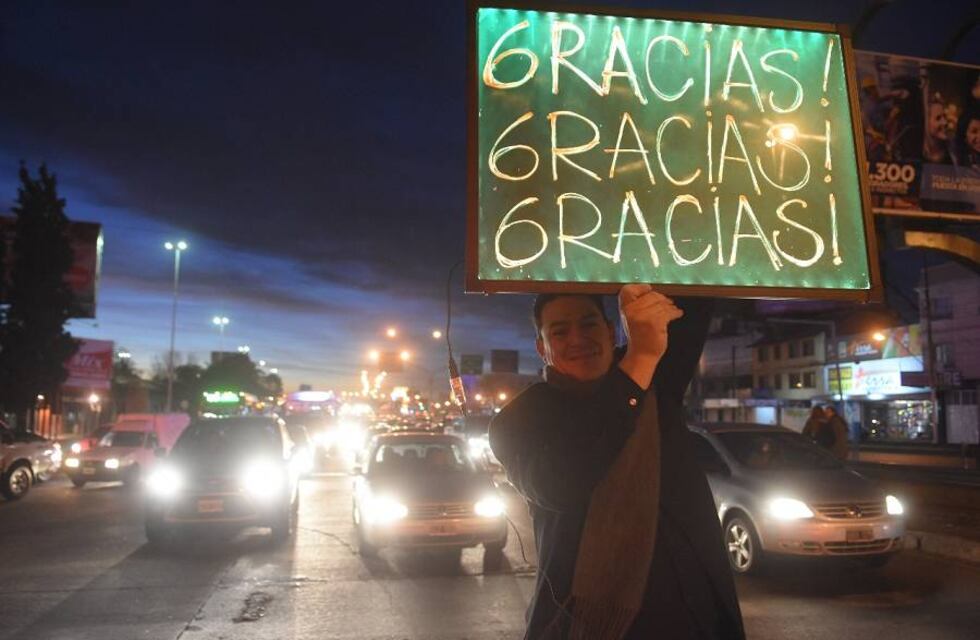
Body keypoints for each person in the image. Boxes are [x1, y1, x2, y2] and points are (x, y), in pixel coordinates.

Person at [489, 286, 744, 640]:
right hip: (588, 625)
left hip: (696, 614)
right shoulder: (519, 418)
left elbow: (693, 293)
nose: (577, 338)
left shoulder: (655, 375)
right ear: (541, 348)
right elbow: (560, 484)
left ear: (611, 331)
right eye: (559, 332)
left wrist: (641, 297)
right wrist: (639, 361)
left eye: (589, 324)